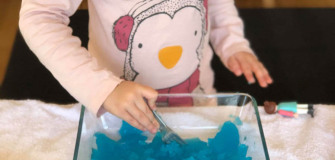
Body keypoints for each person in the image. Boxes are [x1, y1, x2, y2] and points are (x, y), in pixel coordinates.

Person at [19, 0, 273, 134]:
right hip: (117, 119)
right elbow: (40, 16)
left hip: (197, 104)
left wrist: (232, 42)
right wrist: (103, 89)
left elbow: (216, 3)